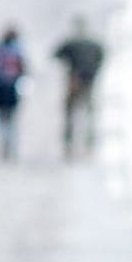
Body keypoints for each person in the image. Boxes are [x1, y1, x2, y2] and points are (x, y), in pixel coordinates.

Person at [53, 17, 106, 160]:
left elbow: (56, 55)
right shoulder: (94, 44)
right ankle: (90, 144)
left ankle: (69, 144)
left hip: (74, 81)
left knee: (70, 113)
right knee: (89, 113)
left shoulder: (71, 43)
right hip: (89, 82)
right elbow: (102, 55)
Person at [0, 26, 28, 161]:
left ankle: (2, 146)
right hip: (12, 89)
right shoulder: (18, 51)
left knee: (1, 120)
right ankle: (11, 147)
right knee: (12, 120)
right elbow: (24, 71)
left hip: (1, 89)